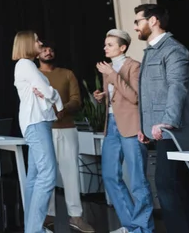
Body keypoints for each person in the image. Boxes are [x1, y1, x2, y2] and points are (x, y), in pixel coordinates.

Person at [134, 4, 189, 233]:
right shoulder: (151, 52)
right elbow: (150, 94)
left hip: (176, 130)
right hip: (160, 130)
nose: (135, 26)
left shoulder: (173, 50)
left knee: (169, 185)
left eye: (137, 21)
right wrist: (143, 126)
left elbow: (177, 87)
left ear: (152, 21)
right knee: (173, 187)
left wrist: (168, 121)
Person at [94, 29, 153, 233]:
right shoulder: (108, 68)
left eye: (109, 44)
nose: (105, 47)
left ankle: (144, 229)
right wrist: (102, 97)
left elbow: (135, 97)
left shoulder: (134, 66)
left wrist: (112, 76)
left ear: (122, 47)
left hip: (131, 127)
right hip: (111, 126)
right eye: (105, 44)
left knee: (138, 181)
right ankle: (131, 226)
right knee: (110, 176)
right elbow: (117, 98)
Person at [38, 43, 94, 233]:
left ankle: (76, 216)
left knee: (71, 173)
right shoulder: (34, 75)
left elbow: (76, 100)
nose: (48, 51)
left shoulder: (67, 73)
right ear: (37, 54)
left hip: (67, 128)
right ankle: (48, 217)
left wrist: (62, 110)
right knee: (46, 174)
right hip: (43, 130)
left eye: (51, 49)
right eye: (44, 49)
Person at [12, 31, 63, 233]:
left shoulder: (26, 66)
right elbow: (48, 92)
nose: (40, 42)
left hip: (35, 122)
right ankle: (34, 230)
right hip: (36, 123)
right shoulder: (26, 64)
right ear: (27, 44)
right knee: (48, 174)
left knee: (34, 177)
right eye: (36, 40)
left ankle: (31, 228)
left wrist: (48, 94)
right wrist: (56, 96)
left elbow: (43, 91)